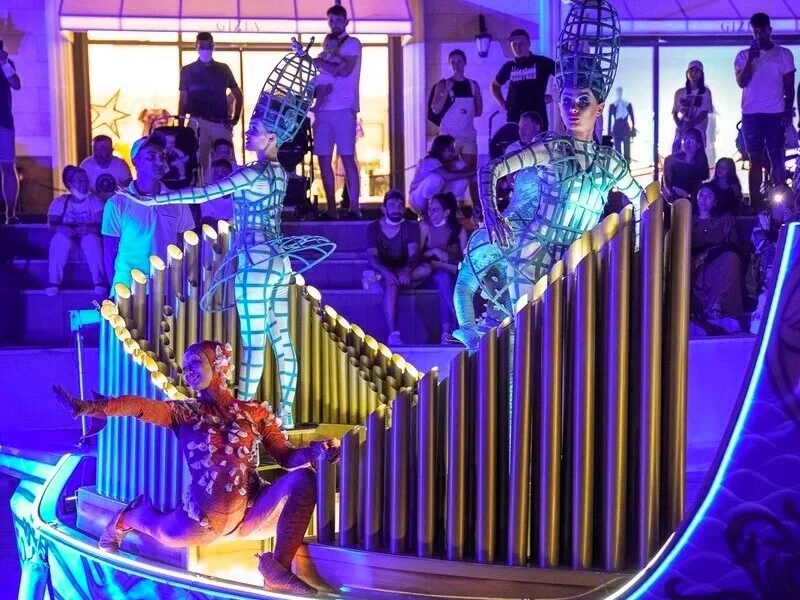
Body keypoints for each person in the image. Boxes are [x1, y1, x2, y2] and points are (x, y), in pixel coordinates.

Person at [122, 42, 334, 429]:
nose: (248, 133)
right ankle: (284, 412)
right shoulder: (278, 174)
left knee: (254, 341)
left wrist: (157, 200)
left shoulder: (254, 173)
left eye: (255, 130)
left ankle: (244, 416)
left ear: (272, 138)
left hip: (254, 262)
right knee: (281, 338)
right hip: (277, 259)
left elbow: (205, 193)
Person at [53, 340, 339, 596]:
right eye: (184, 365)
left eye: (194, 362)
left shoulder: (254, 412)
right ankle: (126, 519)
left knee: (304, 478)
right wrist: (93, 408)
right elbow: (140, 407)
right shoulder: (184, 412)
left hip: (251, 512)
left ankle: (277, 572)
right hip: (202, 520)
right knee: (162, 532)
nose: (186, 370)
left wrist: (317, 450)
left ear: (219, 365)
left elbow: (287, 458)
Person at [454, 0, 644, 352]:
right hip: (532, 255)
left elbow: (644, 201)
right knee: (525, 344)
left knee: (579, 348)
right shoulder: (551, 148)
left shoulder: (610, 163)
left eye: (583, 102)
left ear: (599, 108)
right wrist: (493, 215)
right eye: (567, 101)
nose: (573, 109)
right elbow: (490, 169)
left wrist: (639, 241)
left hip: (579, 261)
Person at [102, 132, 195, 289]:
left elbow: (186, 247)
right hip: (127, 288)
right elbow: (109, 250)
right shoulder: (117, 203)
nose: (159, 161)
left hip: (166, 288)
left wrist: (183, 287)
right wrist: (114, 291)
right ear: (135, 162)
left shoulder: (178, 201)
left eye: (162, 157)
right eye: (151, 157)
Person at [734, 12, 796, 211]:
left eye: (762, 31)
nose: (759, 35)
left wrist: (788, 111)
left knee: (777, 156)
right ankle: (755, 204)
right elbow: (742, 82)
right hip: (751, 114)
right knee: (755, 159)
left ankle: (780, 201)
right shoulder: (743, 55)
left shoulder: (784, 54)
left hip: (775, 113)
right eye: (755, 32)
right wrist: (750, 59)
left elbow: (789, 86)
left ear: (770, 30)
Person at [312, 5, 363, 220]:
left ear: (346, 21)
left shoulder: (352, 43)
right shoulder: (325, 48)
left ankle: (354, 207)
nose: (334, 24)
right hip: (324, 110)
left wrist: (319, 61)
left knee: (347, 157)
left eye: (338, 20)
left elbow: (344, 71)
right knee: (323, 158)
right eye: (331, 21)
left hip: (344, 107)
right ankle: (331, 208)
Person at [365, 189, 431, 346]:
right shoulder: (373, 228)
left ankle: (381, 279)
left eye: (400, 205)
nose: (397, 209)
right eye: (392, 205)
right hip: (383, 270)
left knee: (426, 269)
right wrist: (386, 272)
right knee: (392, 284)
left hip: (405, 271)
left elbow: (414, 255)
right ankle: (393, 333)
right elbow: (372, 256)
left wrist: (407, 270)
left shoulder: (410, 227)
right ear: (384, 208)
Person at [179, 33, 243, 174]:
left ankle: (229, 189)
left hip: (220, 123)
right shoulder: (188, 70)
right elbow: (183, 100)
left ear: (213, 46)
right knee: (199, 165)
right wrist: (181, 129)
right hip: (198, 122)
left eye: (208, 46)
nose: (205, 49)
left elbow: (238, 95)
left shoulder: (223, 69)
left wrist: (235, 118)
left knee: (227, 164)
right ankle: (203, 188)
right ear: (196, 47)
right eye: (202, 46)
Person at [431, 49, 482, 203]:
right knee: (447, 173)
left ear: (465, 63)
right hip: (448, 137)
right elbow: (435, 108)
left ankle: (476, 207)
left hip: (467, 135)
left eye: (459, 61)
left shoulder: (473, 85)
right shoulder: (442, 84)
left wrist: (463, 114)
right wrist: (446, 91)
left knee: (471, 172)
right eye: (453, 62)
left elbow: (478, 110)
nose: (456, 65)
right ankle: (444, 206)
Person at [691, 183, 743, 333]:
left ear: (714, 202)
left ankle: (718, 306)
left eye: (709, 196)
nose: (704, 199)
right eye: (701, 195)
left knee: (731, 259)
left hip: (716, 259)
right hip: (693, 261)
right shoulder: (687, 220)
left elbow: (734, 244)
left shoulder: (723, 221)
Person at [46, 166, 106, 296]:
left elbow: (102, 225)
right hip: (68, 241)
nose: (84, 184)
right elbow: (52, 223)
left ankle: (99, 281)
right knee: (59, 239)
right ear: (70, 183)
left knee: (91, 239)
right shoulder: (60, 202)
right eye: (79, 181)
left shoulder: (95, 201)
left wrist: (89, 229)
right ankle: (54, 281)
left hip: (88, 239)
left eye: (85, 180)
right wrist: (62, 228)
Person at [420, 192, 467, 343]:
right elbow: (418, 256)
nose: (430, 213)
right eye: (429, 209)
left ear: (446, 212)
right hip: (430, 274)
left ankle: (445, 333)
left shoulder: (458, 230)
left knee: (445, 284)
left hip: (453, 272)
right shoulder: (426, 229)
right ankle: (459, 318)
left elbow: (465, 258)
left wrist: (447, 265)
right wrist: (434, 251)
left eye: (435, 209)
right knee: (442, 278)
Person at [490, 29, 556, 128]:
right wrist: (503, 104)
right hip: (514, 119)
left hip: (537, 118)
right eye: (514, 45)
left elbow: (564, 75)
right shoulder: (509, 66)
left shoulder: (543, 62)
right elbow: (495, 85)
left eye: (521, 44)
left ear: (528, 44)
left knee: (538, 138)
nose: (518, 48)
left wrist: (555, 96)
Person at [408, 135, 474, 216]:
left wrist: (459, 162)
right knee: (436, 179)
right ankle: (425, 213)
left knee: (463, 179)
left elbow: (466, 171)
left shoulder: (450, 159)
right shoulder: (429, 160)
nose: (453, 152)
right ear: (441, 150)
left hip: (437, 197)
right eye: (450, 150)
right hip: (418, 200)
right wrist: (474, 172)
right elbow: (448, 176)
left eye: (453, 150)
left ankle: (450, 208)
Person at [672, 61, 713, 153]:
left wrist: (689, 125)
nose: (693, 74)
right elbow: (674, 112)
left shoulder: (705, 92)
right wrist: (680, 126)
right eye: (691, 71)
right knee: (677, 156)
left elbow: (703, 113)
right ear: (687, 73)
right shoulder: (679, 93)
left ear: (701, 74)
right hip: (681, 133)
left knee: (696, 157)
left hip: (698, 134)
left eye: (696, 71)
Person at [0, 45, 21, 224]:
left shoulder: (6, 64)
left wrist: (4, 62)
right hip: (5, 124)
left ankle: (10, 213)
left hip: (4, 123)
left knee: (8, 167)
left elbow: (16, 85)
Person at [79, 135, 133, 200]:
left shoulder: (120, 165)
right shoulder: (85, 165)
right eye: (95, 148)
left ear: (111, 150)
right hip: (93, 204)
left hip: (116, 203)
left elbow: (129, 189)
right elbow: (79, 189)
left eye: (103, 148)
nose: (98, 152)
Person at [663, 128, 710, 200]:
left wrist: (688, 196)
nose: (687, 142)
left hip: (690, 200)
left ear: (698, 144)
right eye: (685, 139)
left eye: (692, 140)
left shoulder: (699, 164)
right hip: (670, 199)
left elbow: (698, 188)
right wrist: (673, 194)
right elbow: (666, 183)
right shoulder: (671, 160)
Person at [200, 158, 234, 227]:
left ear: (231, 174)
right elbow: (207, 222)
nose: (220, 176)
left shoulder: (240, 195)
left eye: (224, 172)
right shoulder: (207, 196)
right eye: (216, 174)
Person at [608, 87, 635, 162]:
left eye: (620, 92)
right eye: (618, 92)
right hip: (617, 129)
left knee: (627, 149)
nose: (619, 93)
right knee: (618, 150)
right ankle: (619, 165)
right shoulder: (612, 105)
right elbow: (609, 120)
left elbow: (632, 118)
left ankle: (628, 165)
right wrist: (609, 134)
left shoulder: (628, 104)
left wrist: (633, 130)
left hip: (625, 128)